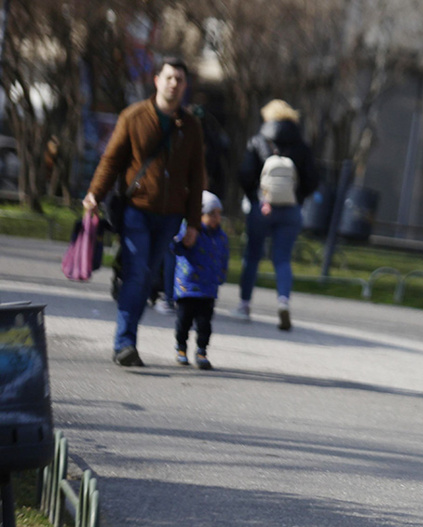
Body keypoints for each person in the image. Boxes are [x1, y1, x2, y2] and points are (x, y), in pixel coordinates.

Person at [84, 57, 205, 367]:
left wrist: (193, 223)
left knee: (148, 278)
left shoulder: (190, 126)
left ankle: (128, 334)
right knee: (138, 276)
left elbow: (196, 175)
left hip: (170, 216)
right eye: (169, 77)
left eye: (179, 79)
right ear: (156, 80)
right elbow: (111, 160)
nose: (174, 83)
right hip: (136, 208)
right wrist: (95, 193)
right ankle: (125, 343)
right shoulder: (134, 116)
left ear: (184, 85)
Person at [234, 99, 319, 331]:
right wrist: (296, 197)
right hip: (290, 211)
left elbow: (245, 174)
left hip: (262, 208)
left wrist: (257, 198)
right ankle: (283, 302)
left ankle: (244, 305)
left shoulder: (258, 140)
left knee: (252, 257)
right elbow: (312, 180)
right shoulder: (301, 145)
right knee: (282, 259)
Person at [172, 191, 229, 370]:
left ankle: (202, 351)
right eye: (212, 213)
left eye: (219, 214)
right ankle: (181, 348)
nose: (216, 218)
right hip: (188, 287)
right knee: (184, 321)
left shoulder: (221, 237)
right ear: (200, 214)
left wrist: (221, 275)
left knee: (205, 324)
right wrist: (179, 240)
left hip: (208, 289)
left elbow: (224, 258)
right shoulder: (191, 231)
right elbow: (177, 248)